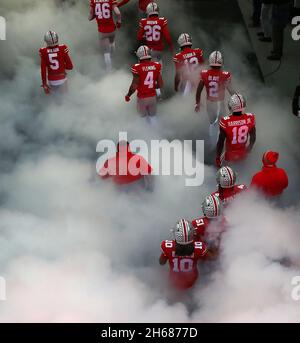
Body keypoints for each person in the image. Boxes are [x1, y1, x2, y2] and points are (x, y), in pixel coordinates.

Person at [195, 51, 235, 145]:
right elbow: (230, 90)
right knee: (223, 125)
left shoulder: (204, 74)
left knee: (212, 123)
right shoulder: (225, 74)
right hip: (220, 103)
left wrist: (197, 103)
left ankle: (213, 143)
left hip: (210, 102)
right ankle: (221, 144)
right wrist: (239, 101)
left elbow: (199, 90)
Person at [159, 219, 207, 290]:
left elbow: (161, 262)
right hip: (192, 281)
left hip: (174, 282)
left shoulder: (167, 246)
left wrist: (169, 255)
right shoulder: (199, 248)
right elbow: (206, 259)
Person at [216, 94, 256, 167]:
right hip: (243, 153)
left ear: (231, 107)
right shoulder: (250, 117)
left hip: (229, 155)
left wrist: (218, 157)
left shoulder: (225, 121)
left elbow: (220, 142)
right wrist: (249, 148)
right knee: (242, 168)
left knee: (225, 172)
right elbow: (253, 137)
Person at [125, 45, 163, 123]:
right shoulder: (156, 65)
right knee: (153, 118)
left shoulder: (137, 67)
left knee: (142, 119)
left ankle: (145, 134)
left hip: (142, 98)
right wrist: (155, 90)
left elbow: (134, 85)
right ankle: (157, 134)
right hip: (152, 97)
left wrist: (128, 95)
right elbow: (160, 84)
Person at [89, 0, 122, 71]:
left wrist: (90, 17)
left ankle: (109, 70)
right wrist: (119, 22)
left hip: (102, 31)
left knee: (106, 52)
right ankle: (114, 55)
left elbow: (91, 14)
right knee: (111, 43)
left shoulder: (93, 1)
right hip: (112, 29)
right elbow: (118, 13)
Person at [39, 31, 73, 95]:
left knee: (55, 97)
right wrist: (62, 66)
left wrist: (44, 84)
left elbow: (43, 70)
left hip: (52, 80)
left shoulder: (43, 51)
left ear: (46, 41)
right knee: (66, 97)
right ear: (57, 38)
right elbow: (70, 67)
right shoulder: (63, 48)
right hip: (62, 78)